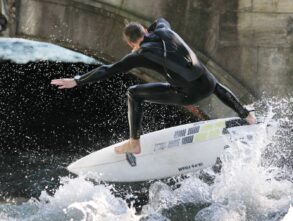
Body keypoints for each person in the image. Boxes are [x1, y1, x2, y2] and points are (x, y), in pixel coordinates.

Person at [51, 18, 256, 154]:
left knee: (133, 93)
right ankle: (246, 115)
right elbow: (160, 19)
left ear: (131, 44)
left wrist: (77, 81)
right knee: (211, 80)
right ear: (145, 31)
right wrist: (151, 29)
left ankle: (134, 142)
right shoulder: (164, 30)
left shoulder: (139, 54)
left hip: (188, 96)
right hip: (209, 84)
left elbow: (107, 69)